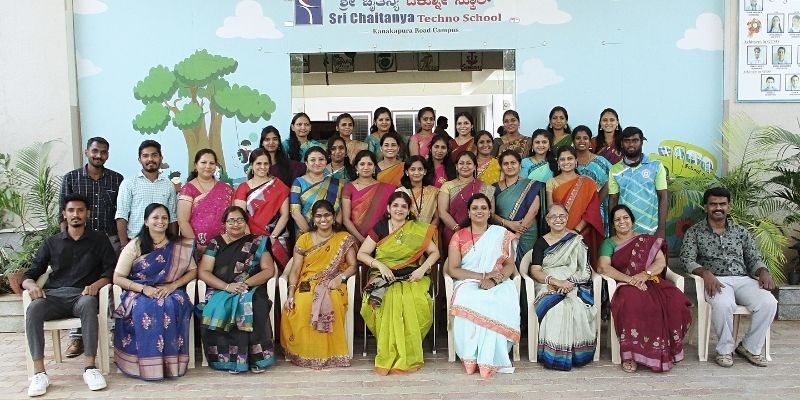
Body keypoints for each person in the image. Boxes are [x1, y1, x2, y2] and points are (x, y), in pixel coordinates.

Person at [23, 194, 114, 397]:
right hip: (54, 297)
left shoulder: (99, 240)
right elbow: (31, 273)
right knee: (34, 308)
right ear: (64, 214)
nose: (76, 214)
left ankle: (90, 368)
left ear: (87, 214)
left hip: (81, 296)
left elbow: (110, 271)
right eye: (71, 210)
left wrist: (96, 285)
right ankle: (39, 373)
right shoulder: (51, 243)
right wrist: (31, 285)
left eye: (80, 210)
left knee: (89, 303)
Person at [680, 187, 777, 368]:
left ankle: (749, 347)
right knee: (724, 304)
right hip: (715, 280)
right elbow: (687, 259)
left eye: (722, 204)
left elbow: (753, 258)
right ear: (706, 207)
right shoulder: (694, 232)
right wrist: (705, 273)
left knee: (769, 302)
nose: (718, 208)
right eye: (713, 204)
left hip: (742, 279)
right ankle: (724, 350)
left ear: (728, 207)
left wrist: (763, 271)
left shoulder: (740, 232)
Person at [597, 205, 691, 373]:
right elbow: (603, 267)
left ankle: (665, 350)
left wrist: (645, 274)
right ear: (613, 224)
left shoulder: (646, 239)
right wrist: (630, 280)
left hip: (651, 281)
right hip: (626, 284)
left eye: (625, 218)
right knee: (632, 305)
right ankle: (630, 355)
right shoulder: (609, 243)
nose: (622, 222)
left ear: (632, 221)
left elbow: (660, 262)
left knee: (676, 303)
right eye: (617, 219)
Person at [112, 203, 197, 380]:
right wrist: (144, 289)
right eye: (155, 217)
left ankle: (169, 364)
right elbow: (118, 277)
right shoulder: (135, 245)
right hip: (140, 290)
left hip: (171, 289)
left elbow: (193, 271)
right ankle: (146, 365)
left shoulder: (178, 245)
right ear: (146, 221)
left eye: (164, 218)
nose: (160, 221)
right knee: (145, 307)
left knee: (172, 304)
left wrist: (173, 286)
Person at [358, 192, 440, 375]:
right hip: (383, 276)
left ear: (409, 210)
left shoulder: (417, 229)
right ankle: (390, 351)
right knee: (389, 299)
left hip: (412, 276)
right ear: (388, 208)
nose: (399, 209)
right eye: (395, 205)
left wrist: (422, 269)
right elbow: (361, 253)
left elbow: (435, 253)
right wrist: (380, 265)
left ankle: (407, 352)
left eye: (404, 206)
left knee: (412, 298)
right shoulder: (380, 227)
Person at [58, 136, 123, 358]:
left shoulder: (116, 179)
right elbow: (63, 213)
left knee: (112, 284)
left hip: (109, 239)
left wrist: (122, 243)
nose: (99, 155)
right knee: (78, 283)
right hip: (80, 241)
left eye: (103, 152)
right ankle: (77, 337)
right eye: (95, 151)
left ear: (108, 154)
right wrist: (66, 242)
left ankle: (116, 332)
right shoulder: (71, 178)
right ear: (87, 152)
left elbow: (120, 213)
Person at [447, 193, 519, 378]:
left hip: (498, 280)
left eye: (483, 208)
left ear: (489, 212)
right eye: (475, 208)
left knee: (501, 297)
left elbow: (510, 265)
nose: (479, 211)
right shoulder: (458, 236)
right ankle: (470, 356)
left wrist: (495, 280)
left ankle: (489, 357)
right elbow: (453, 269)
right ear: (468, 213)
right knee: (467, 298)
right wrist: (482, 276)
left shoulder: (501, 234)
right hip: (468, 281)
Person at [197, 206, 277, 373]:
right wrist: (227, 287)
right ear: (224, 223)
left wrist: (245, 284)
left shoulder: (257, 242)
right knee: (222, 307)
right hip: (220, 289)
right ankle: (230, 361)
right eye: (231, 221)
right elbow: (204, 271)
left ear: (246, 223)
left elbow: (268, 270)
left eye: (240, 220)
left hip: (250, 288)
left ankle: (256, 359)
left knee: (253, 304)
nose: (235, 224)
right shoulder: (215, 243)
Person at [282, 200, 358, 369]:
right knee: (303, 303)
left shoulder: (344, 238)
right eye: (318, 216)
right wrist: (291, 293)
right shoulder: (304, 239)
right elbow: (295, 269)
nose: (323, 219)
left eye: (327, 215)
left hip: (333, 281)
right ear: (313, 219)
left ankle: (330, 354)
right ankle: (306, 352)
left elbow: (353, 266)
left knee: (333, 300)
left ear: (333, 217)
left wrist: (340, 278)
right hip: (307, 282)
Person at [528, 204, 597, 371]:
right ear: (547, 220)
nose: (558, 219)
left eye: (562, 216)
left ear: (567, 218)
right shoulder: (541, 242)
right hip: (547, 284)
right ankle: (555, 357)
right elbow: (535, 270)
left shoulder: (576, 240)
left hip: (574, 284)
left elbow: (584, 269)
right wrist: (556, 282)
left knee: (577, 307)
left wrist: (569, 282)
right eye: (553, 216)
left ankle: (576, 355)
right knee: (558, 308)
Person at [546, 146, 604, 267]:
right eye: (562, 159)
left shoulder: (588, 182)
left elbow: (591, 211)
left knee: (582, 266)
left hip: (582, 232)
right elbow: (550, 209)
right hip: (558, 232)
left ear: (576, 160)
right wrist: (561, 230)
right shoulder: (551, 182)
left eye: (570, 158)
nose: (566, 162)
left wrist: (576, 231)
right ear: (557, 162)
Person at [234, 148, 291, 269]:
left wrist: (272, 237)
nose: (262, 167)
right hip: (250, 237)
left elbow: (285, 215)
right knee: (252, 272)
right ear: (251, 165)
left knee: (280, 275)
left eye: (266, 163)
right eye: (258, 163)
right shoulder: (243, 188)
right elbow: (239, 217)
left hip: (277, 237)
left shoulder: (279, 185)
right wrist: (251, 239)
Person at [115, 140, 178, 249]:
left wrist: (172, 245)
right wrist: (124, 245)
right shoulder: (129, 183)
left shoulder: (169, 185)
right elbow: (121, 216)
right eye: (145, 156)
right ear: (140, 160)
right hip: (135, 242)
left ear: (161, 158)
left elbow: (172, 218)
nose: (150, 159)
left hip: (162, 244)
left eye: (154, 155)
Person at [608, 127, 668, 238]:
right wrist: (612, 231)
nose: (631, 144)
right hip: (624, 232)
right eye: (627, 141)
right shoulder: (614, 170)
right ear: (622, 144)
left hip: (651, 231)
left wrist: (661, 229)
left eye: (635, 140)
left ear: (641, 142)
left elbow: (663, 197)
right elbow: (613, 200)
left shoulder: (656, 166)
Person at [177, 149, 233, 249]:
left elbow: (234, 216)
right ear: (196, 165)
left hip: (226, 245)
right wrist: (196, 246)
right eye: (203, 162)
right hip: (198, 247)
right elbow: (183, 221)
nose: (208, 166)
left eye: (212, 163)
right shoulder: (188, 189)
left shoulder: (226, 189)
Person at [438, 151, 496, 247]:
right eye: (461, 163)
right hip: (453, 233)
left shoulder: (486, 188)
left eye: (469, 163)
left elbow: (491, 213)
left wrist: (475, 232)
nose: (465, 166)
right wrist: (457, 229)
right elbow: (442, 212)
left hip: (480, 235)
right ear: (456, 167)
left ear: (475, 166)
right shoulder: (447, 186)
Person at [493, 150, 542, 264]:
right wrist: (508, 224)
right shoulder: (493, 188)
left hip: (527, 230)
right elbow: (491, 214)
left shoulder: (532, 185)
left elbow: (534, 211)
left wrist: (518, 233)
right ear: (501, 167)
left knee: (525, 263)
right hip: (503, 231)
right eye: (506, 163)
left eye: (513, 163)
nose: (509, 166)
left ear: (520, 165)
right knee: (503, 263)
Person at [342, 150, 397, 243]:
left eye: (370, 164)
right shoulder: (348, 188)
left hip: (381, 238)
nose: (366, 167)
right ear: (356, 167)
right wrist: (362, 240)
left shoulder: (387, 189)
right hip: (355, 239)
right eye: (362, 164)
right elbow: (346, 220)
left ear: (374, 167)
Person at [290, 146, 345, 235]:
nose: (317, 163)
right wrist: (312, 235)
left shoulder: (337, 184)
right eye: (313, 160)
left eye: (321, 159)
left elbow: (340, 211)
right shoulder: (298, 182)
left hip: (333, 234)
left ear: (326, 162)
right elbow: (295, 212)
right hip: (305, 235)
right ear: (306, 163)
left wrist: (333, 232)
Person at [573, 125, 612, 236]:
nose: (582, 141)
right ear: (573, 141)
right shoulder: (568, 162)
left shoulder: (601, 161)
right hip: (574, 210)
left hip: (598, 210)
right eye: (578, 138)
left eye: (585, 138)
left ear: (590, 142)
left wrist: (596, 204)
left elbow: (612, 180)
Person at [397, 156, 440, 225]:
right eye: (412, 169)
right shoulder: (400, 192)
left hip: (427, 230)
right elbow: (396, 216)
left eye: (420, 169)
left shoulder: (433, 191)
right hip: (405, 230)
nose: (416, 173)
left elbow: (436, 218)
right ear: (407, 172)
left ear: (425, 171)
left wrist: (428, 231)